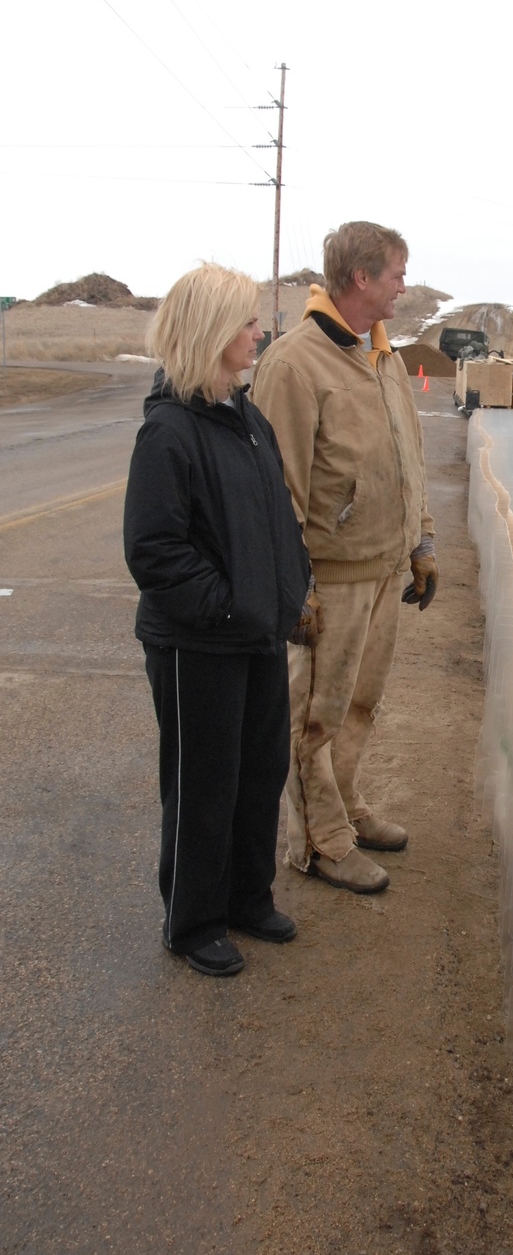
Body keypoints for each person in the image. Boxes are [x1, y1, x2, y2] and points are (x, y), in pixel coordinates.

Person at [124, 264, 311, 977]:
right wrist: (227, 605)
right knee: (203, 782)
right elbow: (155, 552)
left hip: (257, 632)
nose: (258, 331)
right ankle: (193, 920)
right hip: (198, 642)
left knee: (259, 770)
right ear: (210, 333)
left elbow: (274, 519)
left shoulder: (245, 416)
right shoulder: (169, 433)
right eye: (245, 321)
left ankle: (244, 897)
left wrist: (290, 590)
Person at [251, 220, 437, 894]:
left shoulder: (382, 355)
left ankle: (346, 806)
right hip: (329, 583)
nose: (403, 285)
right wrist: (294, 590)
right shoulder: (295, 364)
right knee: (315, 717)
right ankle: (320, 842)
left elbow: (408, 459)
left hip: (384, 571)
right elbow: (277, 493)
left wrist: (421, 541)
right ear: (359, 277)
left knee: (361, 705)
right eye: (396, 273)